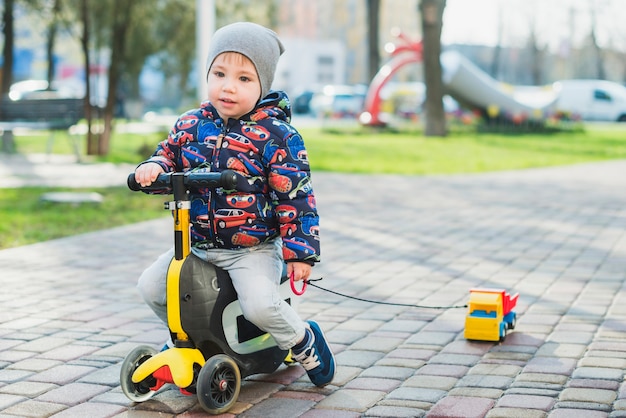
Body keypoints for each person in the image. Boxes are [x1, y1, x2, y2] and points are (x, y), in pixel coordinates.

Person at [133, 22, 335, 387]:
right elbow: (168, 157)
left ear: (264, 86)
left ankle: (303, 341)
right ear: (207, 73)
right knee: (152, 287)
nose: (228, 86)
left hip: (252, 249)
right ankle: (187, 342)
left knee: (260, 305)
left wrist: (300, 253)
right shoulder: (191, 124)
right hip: (196, 245)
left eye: (244, 79)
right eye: (220, 73)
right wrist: (153, 168)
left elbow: (296, 197)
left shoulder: (277, 136)